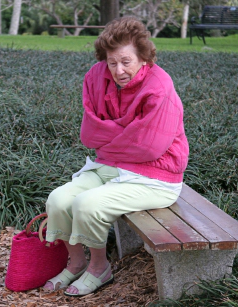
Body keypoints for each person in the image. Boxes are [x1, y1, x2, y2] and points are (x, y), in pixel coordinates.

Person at [43, 16, 189, 297]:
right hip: (110, 165)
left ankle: (100, 268)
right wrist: (129, 132)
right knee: (58, 200)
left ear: (144, 58)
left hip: (155, 176)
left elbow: (149, 148)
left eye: (126, 61)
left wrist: (111, 133)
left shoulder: (160, 87)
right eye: (112, 62)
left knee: (87, 204)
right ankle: (76, 262)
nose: (119, 70)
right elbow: (89, 135)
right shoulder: (96, 77)